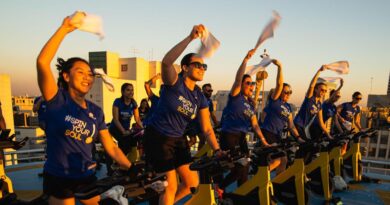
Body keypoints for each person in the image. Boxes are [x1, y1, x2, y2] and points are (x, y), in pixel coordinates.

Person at [36, 15, 131, 205]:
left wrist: (131, 166)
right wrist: (64, 28)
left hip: (86, 175)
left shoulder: (96, 111)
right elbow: (42, 62)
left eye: (90, 74)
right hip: (59, 177)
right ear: (66, 76)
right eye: (80, 72)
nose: (87, 77)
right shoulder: (56, 100)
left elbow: (110, 146)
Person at [143, 24, 221, 205]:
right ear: (185, 67)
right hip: (158, 137)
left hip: (178, 139)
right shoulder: (174, 82)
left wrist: (217, 150)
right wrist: (190, 38)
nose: (202, 68)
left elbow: (207, 128)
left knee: (191, 183)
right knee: (169, 185)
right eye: (197, 65)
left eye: (204, 66)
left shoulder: (199, 97)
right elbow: (166, 62)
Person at [218, 49, 270, 192]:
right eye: (248, 83)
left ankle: (242, 196)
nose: (251, 86)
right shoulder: (235, 97)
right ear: (242, 85)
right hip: (229, 136)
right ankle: (219, 188)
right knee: (239, 168)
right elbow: (237, 80)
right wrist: (245, 59)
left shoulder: (251, 104)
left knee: (245, 169)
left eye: (252, 84)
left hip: (241, 138)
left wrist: (264, 141)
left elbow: (254, 124)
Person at [260, 59, 303, 175]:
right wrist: (280, 67)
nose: (288, 94)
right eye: (286, 92)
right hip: (268, 132)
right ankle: (260, 178)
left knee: (284, 160)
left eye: (290, 92)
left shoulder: (288, 107)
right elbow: (279, 84)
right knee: (278, 159)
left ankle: (278, 185)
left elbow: (291, 125)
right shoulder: (275, 101)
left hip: (277, 136)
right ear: (280, 93)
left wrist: (298, 137)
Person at [294, 66, 327, 140]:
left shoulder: (319, 105)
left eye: (325, 91)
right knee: (305, 145)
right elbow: (311, 85)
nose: (323, 92)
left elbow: (321, 122)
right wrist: (319, 71)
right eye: (322, 90)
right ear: (316, 90)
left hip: (304, 127)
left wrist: (328, 134)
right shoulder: (310, 98)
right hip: (297, 125)